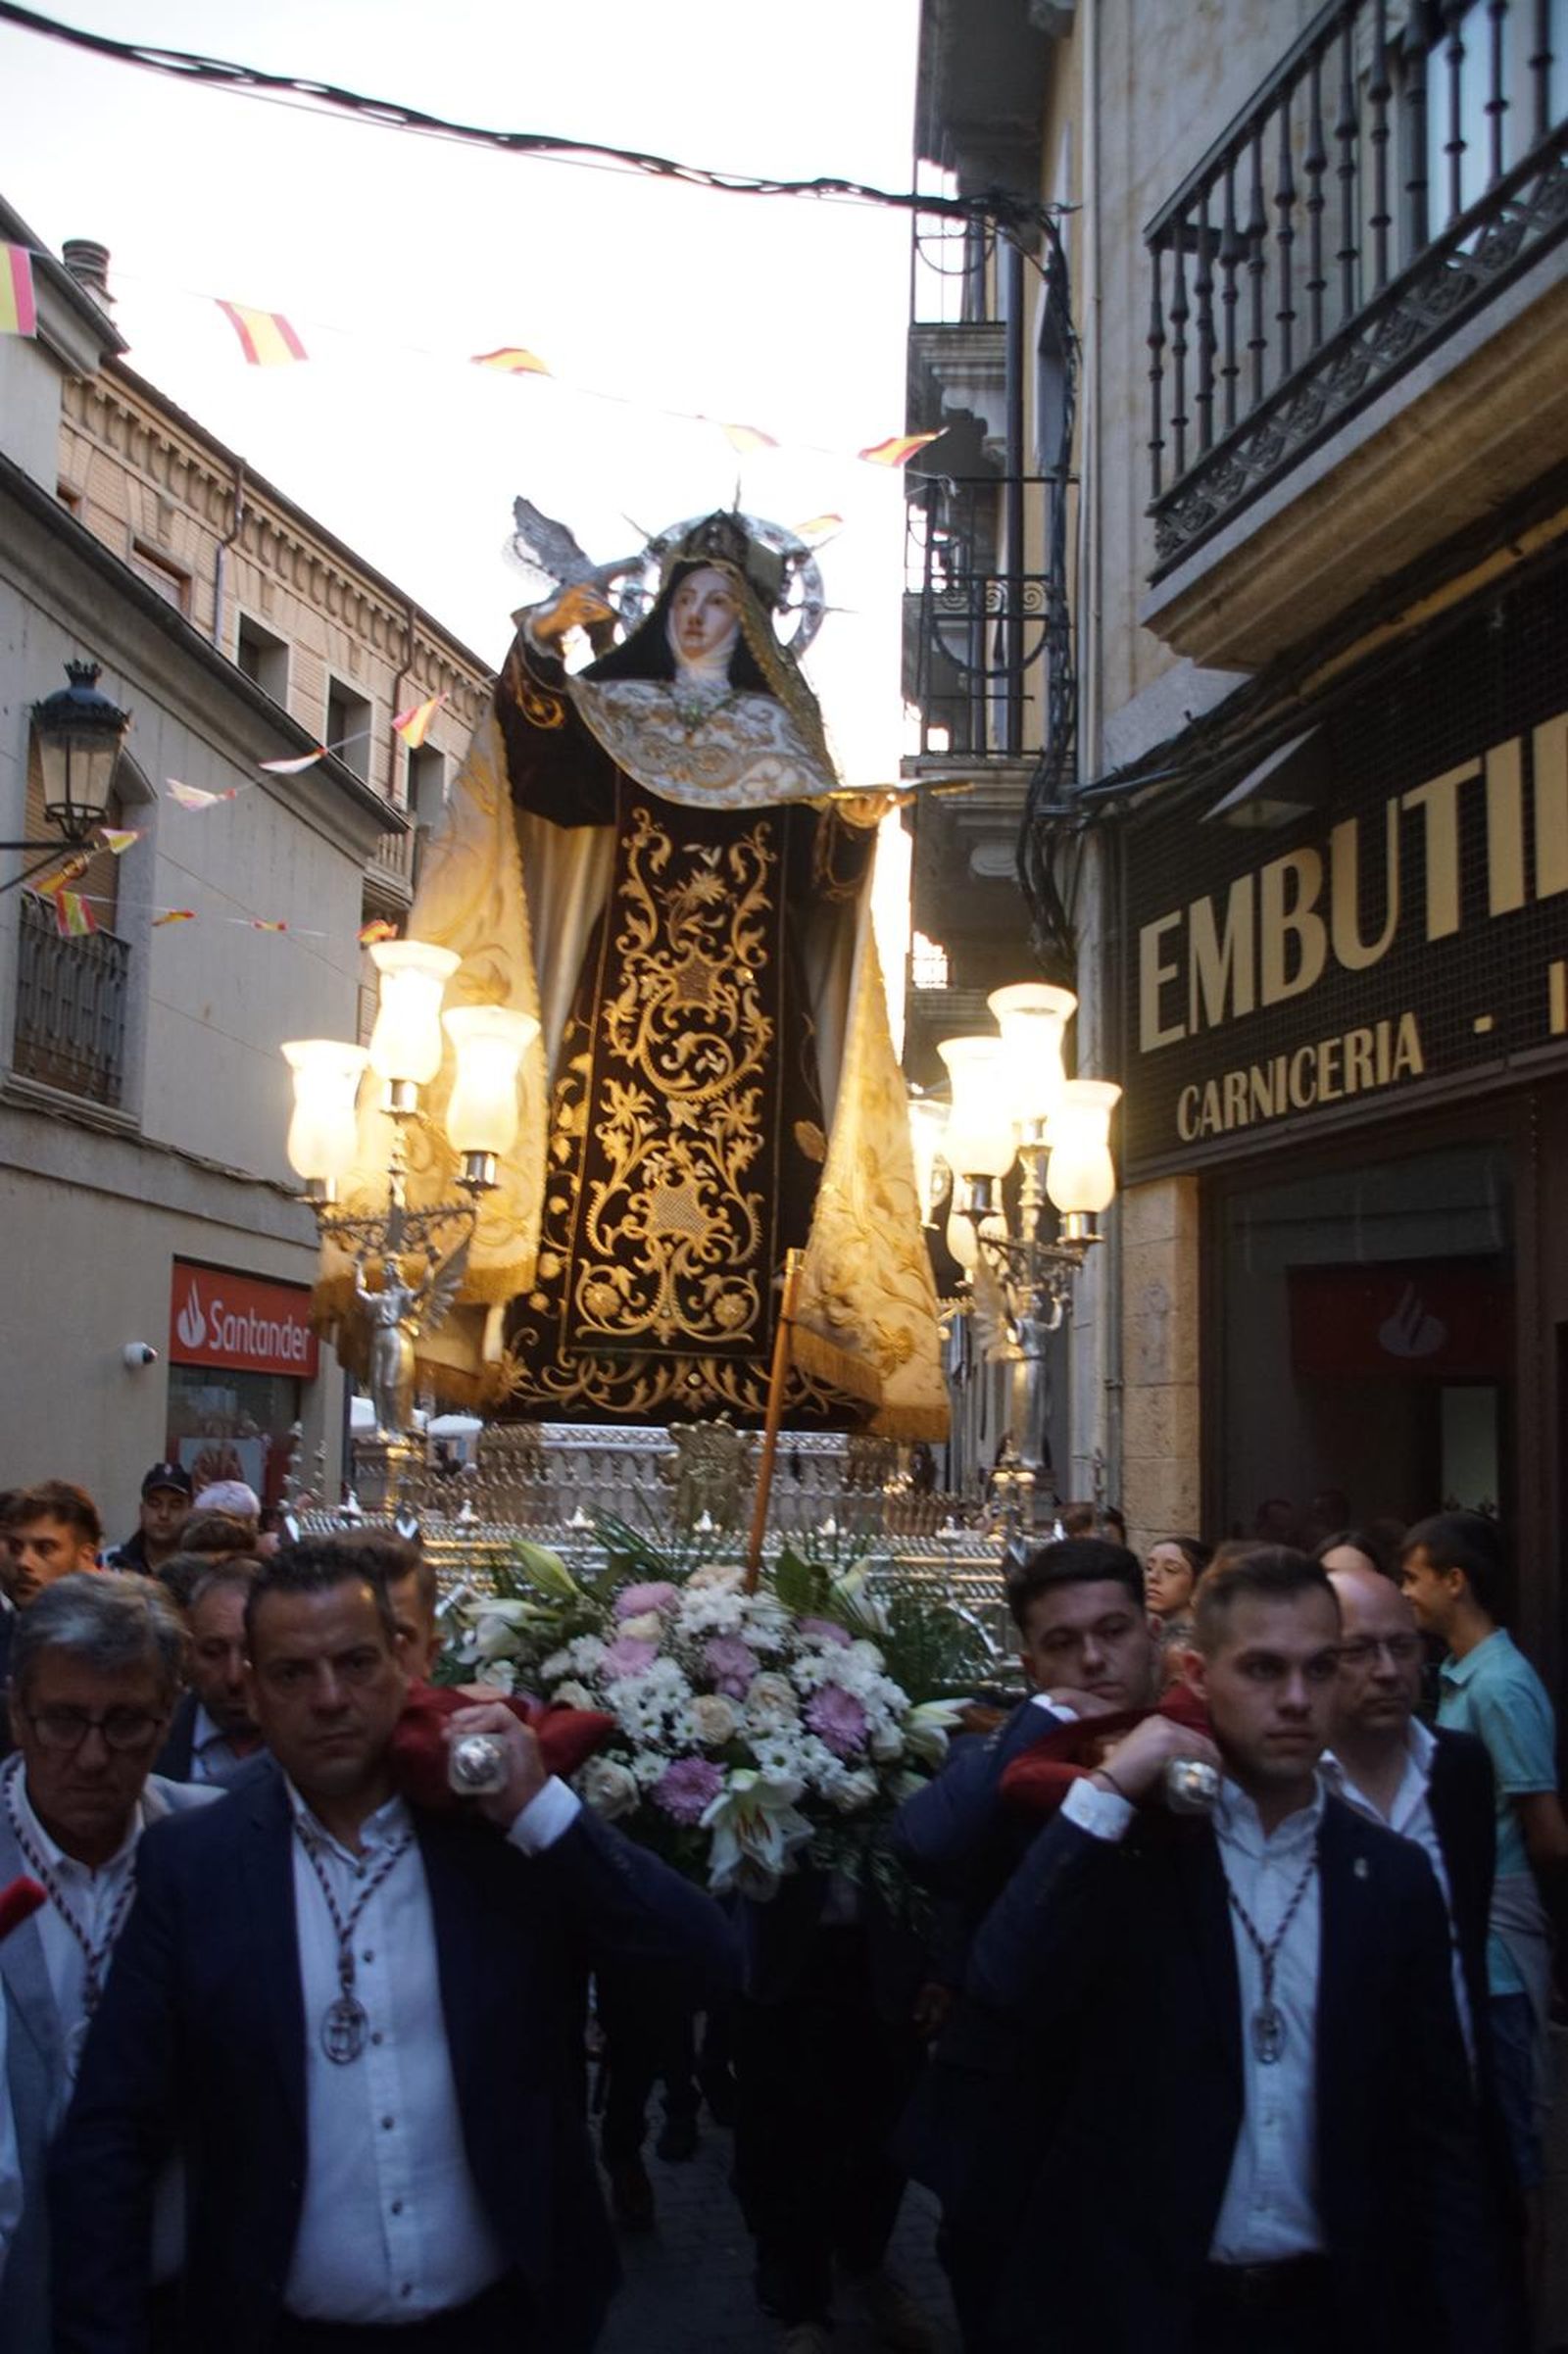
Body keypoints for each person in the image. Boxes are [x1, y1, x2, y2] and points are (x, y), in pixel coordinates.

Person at [313, 510, 946, 1443]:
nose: (697, 617)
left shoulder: (783, 737)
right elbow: (537, 761)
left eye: (719, 602)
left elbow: (825, 890)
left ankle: (760, 1375)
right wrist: (539, 640)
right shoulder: (616, 717)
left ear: (752, 623)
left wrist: (854, 824)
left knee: (774, 1186)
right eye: (684, 600)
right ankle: (571, 1354)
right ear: (664, 612)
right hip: (623, 1015)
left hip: (756, 1029)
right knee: (594, 1159)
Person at [52, 1537, 735, 2354]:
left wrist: (545, 1815)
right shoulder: (194, 1867)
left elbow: (709, 1966)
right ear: (255, 1695)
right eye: (293, 1674)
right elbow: (113, 2134)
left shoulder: (499, 1841)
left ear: (405, 1671)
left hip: (508, 2323)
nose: (331, 1697)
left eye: (357, 1663)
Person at [967, 1547, 1505, 2354]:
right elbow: (1002, 1983)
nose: (1296, 1699)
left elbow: (1438, 2137)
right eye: (1262, 1669)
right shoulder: (1139, 1855)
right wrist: (1113, 1790)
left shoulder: (1389, 1878)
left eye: (1319, 1669)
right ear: (1197, 1673)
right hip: (1148, 2307)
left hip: (1331, 2311)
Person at [894, 1540, 1160, 2351]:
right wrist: (1045, 1717)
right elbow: (927, 1845)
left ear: (1151, 1632)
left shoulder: (1198, 1745)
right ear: (1028, 1661)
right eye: (1062, 1643)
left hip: (1150, 2120)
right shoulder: (996, 1752)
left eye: (1114, 1630)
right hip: (1015, 2132)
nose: (1093, 1657)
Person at [0, 1572, 220, 2347]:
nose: (93, 1757)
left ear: (168, 1720)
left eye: (125, 1722)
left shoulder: (217, 1849)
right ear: (16, 1714)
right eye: (63, 1720)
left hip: (184, 2299)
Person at [1399, 1511, 1568, 2218]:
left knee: (1511, 2138)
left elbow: (1547, 1831)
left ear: (1455, 1581)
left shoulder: (1499, 1686)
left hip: (1500, 1939)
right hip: (1473, 1930)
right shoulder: (1463, 1678)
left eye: (1413, 1578)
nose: (1404, 1593)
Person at [155, 1562, 266, 1787]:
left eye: (252, 1653)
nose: (234, 1676)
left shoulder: (319, 1745)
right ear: (188, 1651)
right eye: (213, 1653)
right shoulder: (151, 1744)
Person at [105, 1464, 192, 1579]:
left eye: (175, 1505)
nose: (164, 1514)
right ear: (141, 1511)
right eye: (155, 1504)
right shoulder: (109, 1562)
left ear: (190, 1512)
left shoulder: (202, 1573)